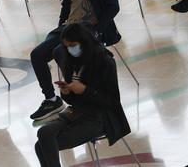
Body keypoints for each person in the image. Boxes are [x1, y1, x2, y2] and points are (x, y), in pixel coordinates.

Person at [29, 0, 120, 121]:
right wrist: (60, 26)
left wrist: (97, 30)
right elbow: (66, 6)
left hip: (89, 29)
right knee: (37, 54)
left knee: (59, 52)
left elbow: (113, 7)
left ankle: (76, 100)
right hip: (69, 27)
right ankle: (51, 99)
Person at [34, 23, 131, 167]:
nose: (69, 49)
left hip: (100, 117)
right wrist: (66, 92)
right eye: (66, 46)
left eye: (72, 45)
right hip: (77, 112)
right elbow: (73, 100)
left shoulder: (104, 61)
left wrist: (85, 90)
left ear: (84, 42)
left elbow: (112, 102)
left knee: (42, 145)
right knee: (44, 134)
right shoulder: (71, 61)